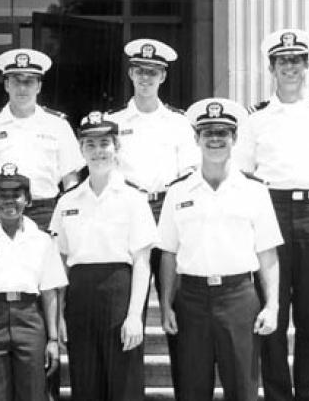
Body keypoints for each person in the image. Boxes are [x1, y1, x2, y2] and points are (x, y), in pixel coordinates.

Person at [233, 29, 309, 401]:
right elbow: (242, 176)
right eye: (282, 61)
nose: (290, 67)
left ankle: (308, 395)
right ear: (271, 67)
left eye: (296, 60)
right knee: (271, 311)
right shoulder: (256, 117)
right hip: (269, 211)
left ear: (307, 65)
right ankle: (276, 395)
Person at [158, 98, 282, 401]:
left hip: (239, 298)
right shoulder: (177, 191)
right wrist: (165, 305)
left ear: (235, 139)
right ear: (196, 139)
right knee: (191, 390)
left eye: (223, 133)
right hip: (191, 300)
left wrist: (273, 305)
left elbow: (268, 254)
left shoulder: (255, 190)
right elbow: (168, 254)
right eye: (208, 132)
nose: (215, 139)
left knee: (242, 390)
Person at [105, 38, 199, 397]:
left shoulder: (178, 123)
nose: (146, 78)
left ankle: (188, 391)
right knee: (128, 311)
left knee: (179, 311)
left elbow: (190, 173)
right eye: (140, 71)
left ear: (163, 76)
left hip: (169, 212)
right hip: (128, 214)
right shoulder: (114, 122)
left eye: (153, 72)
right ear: (131, 73)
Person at [49, 111, 157, 401]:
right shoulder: (67, 201)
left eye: (105, 144)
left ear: (117, 147)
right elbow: (60, 263)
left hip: (118, 291)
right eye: (91, 145)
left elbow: (143, 263)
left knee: (124, 383)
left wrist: (135, 315)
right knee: (85, 382)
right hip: (80, 293)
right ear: (81, 150)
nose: (98, 152)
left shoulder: (134, 198)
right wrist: (59, 314)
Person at [0, 163, 67, 401]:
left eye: (16, 195)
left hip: (30, 319)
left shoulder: (43, 241)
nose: (9, 202)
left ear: (27, 199)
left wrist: (53, 339)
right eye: (1, 196)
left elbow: (49, 293)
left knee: (33, 394)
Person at [0, 48, 84, 234]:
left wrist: (71, 224)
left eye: (29, 82)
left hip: (45, 214)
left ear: (39, 86)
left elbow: (70, 180)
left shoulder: (58, 125)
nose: (22, 88)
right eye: (16, 81)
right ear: (7, 85)